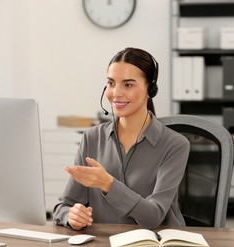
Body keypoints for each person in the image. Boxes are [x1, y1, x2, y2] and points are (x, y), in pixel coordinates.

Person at [53, 47, 190, 230]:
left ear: (151, 89)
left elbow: (153, 217)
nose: (116, 93)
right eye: (111, 83)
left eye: (128, 85)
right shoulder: (92, 138)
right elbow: (63, 206)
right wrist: (71, 216)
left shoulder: (175, 145)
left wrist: (108, 184)